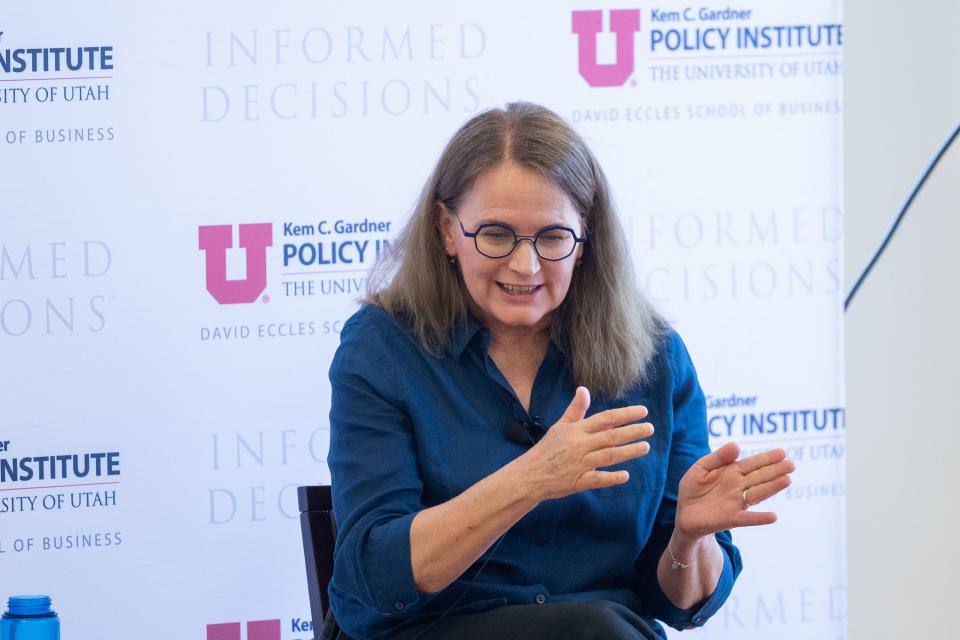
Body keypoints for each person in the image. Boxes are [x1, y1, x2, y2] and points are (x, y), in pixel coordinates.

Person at [326, 102, 794, 640]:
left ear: (585, 237)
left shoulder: (655, 357)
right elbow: (373, 573)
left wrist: (690, 538)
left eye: (551, 238)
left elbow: (678, 604)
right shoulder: (383, 348)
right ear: (447, 229)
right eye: (496, 235)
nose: (525, 266)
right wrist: (530, 479)